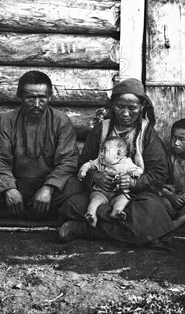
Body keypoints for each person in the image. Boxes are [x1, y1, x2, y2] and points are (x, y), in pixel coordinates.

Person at [58, 78, 174, 246]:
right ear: (113, 105)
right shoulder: (101, 129)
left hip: (132, 196)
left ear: (142, 107)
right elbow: (84, 161)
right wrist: (95, 177)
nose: (125, 113)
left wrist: (135, 182)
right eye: (120, 107)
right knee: (73, 204)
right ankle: (135, 233)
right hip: (102, 193)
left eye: (132, 108)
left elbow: (159, 173)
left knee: (150, 209)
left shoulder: (147, 133)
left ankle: (85, 229)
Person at [0, 71, 85, 220]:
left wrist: (49, 188)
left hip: (48, 184)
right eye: (31, 98)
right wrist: (8, 189)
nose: (37, 104)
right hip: (17, 183)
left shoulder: (61, 122)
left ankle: (1, 214)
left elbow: (68, 161)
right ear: (20, 96)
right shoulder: (8, 120)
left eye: (42, 98)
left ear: (49, 97)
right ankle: (42, 214)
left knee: (75, 186)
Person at [78, 136, 143, 226]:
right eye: (101, 150)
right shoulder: (100, 161)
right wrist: (83, 171)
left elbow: (138, 170)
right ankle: (91, 215)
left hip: (118, 193)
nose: (101, 153)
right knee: (94, 199)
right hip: (101, 192)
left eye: (104, 150)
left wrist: (134, 173)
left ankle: (117, 211)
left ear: (118, 153)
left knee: (124, 197)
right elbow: (88, 164)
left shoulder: (126, 163)